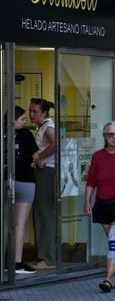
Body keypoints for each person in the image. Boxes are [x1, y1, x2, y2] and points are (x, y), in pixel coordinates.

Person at [85, 122, 115, 293]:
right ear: (104, 137)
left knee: (114, 241)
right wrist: (87, 201)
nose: (114, 137)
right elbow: (91, 181)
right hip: (103, 204)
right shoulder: (98, 156)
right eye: (110, 134)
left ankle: (107, 279)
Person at [29, 98, 56, 270]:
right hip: (43, 172)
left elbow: (55, 144)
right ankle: (44, 256)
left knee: (44, 214)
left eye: (35, 111)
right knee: (41, 213)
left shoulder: (47, 126)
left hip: (46, 173)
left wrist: (40, 156)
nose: (32, 114)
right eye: (30, 111)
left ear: (44, 113)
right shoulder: (43, 126)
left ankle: (48, 258)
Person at [12, 106, 38, 275]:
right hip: (25, 181)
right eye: (22, 119)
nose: (25, 121)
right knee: (20, 223)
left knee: (7, 223)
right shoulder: (26, 135)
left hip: (7, 181)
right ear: (13, 120)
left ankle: (5, 260)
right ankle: (17, 262)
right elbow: (36, 155)